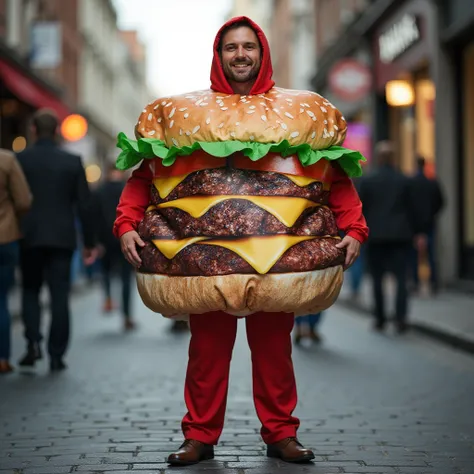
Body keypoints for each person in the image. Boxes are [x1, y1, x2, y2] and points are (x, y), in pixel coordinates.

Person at [114, 17, 368, 465]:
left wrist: (354, 229)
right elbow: (145, 176)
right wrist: (126, 224)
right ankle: (199, 436)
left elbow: (334, 177)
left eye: (248, 46)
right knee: (206, 354)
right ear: (219, 55)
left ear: (262, 51)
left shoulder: (301, 114)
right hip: (201, 260)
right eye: (231, 47)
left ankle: (280, 433)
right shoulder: (183, 118)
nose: (240, 55)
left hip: (282, 259)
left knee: (274, 353)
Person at [16, 109, 96, 372]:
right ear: (58, 131)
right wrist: (89, 242)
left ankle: (32, 344)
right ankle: (57, 354)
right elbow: (84, 205)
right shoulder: (72, 162)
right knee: (60, 295)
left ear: (34, 130)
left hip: (29, 236)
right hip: (62, 237)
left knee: (30, 291)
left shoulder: (21, 160)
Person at [358, 141, 419, 334]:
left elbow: (360, 209)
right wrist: (416, 232)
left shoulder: (368, 180)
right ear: (394, 158)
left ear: (377, 157)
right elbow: (413, 209)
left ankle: (380, 318)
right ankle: (400, 319)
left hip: (375, 236)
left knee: (377, 279)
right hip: (400, 236)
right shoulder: (404, 180)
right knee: (401, 278)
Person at [91, 164, 135, 331]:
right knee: (125, 278)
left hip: (105, 240)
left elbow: (94, 216)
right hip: (125, 238)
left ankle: (108, 298)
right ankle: (127, 316)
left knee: (106, 272)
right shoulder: (127, 189)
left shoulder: (99, 190)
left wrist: (95, 242)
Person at [0, 149, 32, 374]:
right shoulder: (6, 160)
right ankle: (2, 358)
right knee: (1, 300)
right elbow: (23, 200)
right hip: (5, 235)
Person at [409, 156, 444, 295]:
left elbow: (407, 204)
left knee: (414, 255)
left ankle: (416, 283)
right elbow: (441, 202)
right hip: (429, 223)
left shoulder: (411, 183)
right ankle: (434, 283)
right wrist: (432, 214)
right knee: (431, 254)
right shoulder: (432, 182)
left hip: (414, 225)